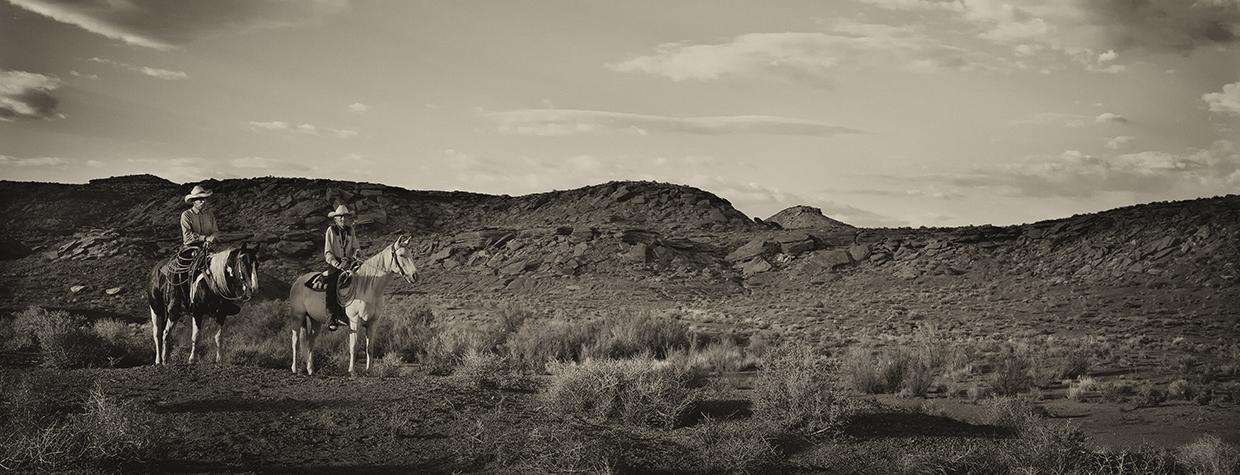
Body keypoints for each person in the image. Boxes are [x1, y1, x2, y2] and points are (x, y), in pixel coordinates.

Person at [173, 185, 220, 284]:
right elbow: (187, 236)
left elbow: (215, 231)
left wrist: (212, 238)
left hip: (209, 248)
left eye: (204, 199)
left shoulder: (210, 215)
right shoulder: (186, 215)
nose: (203, 201)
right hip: (191, 249)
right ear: (194, 201)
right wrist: (205, 238)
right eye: (200, 199)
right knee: (182, 275)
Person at [324, 204, 360, 331]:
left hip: (349, 262)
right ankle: (332, 317)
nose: (343, 219)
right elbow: (328, 252)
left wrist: (355, 254)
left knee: (362, 278)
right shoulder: (331, 230)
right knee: (332, 284)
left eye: (345, 216)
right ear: (335, 219)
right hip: (335, 263)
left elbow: (356, 247)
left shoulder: (351, 230)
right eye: (340, 217)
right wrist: (337, 264)